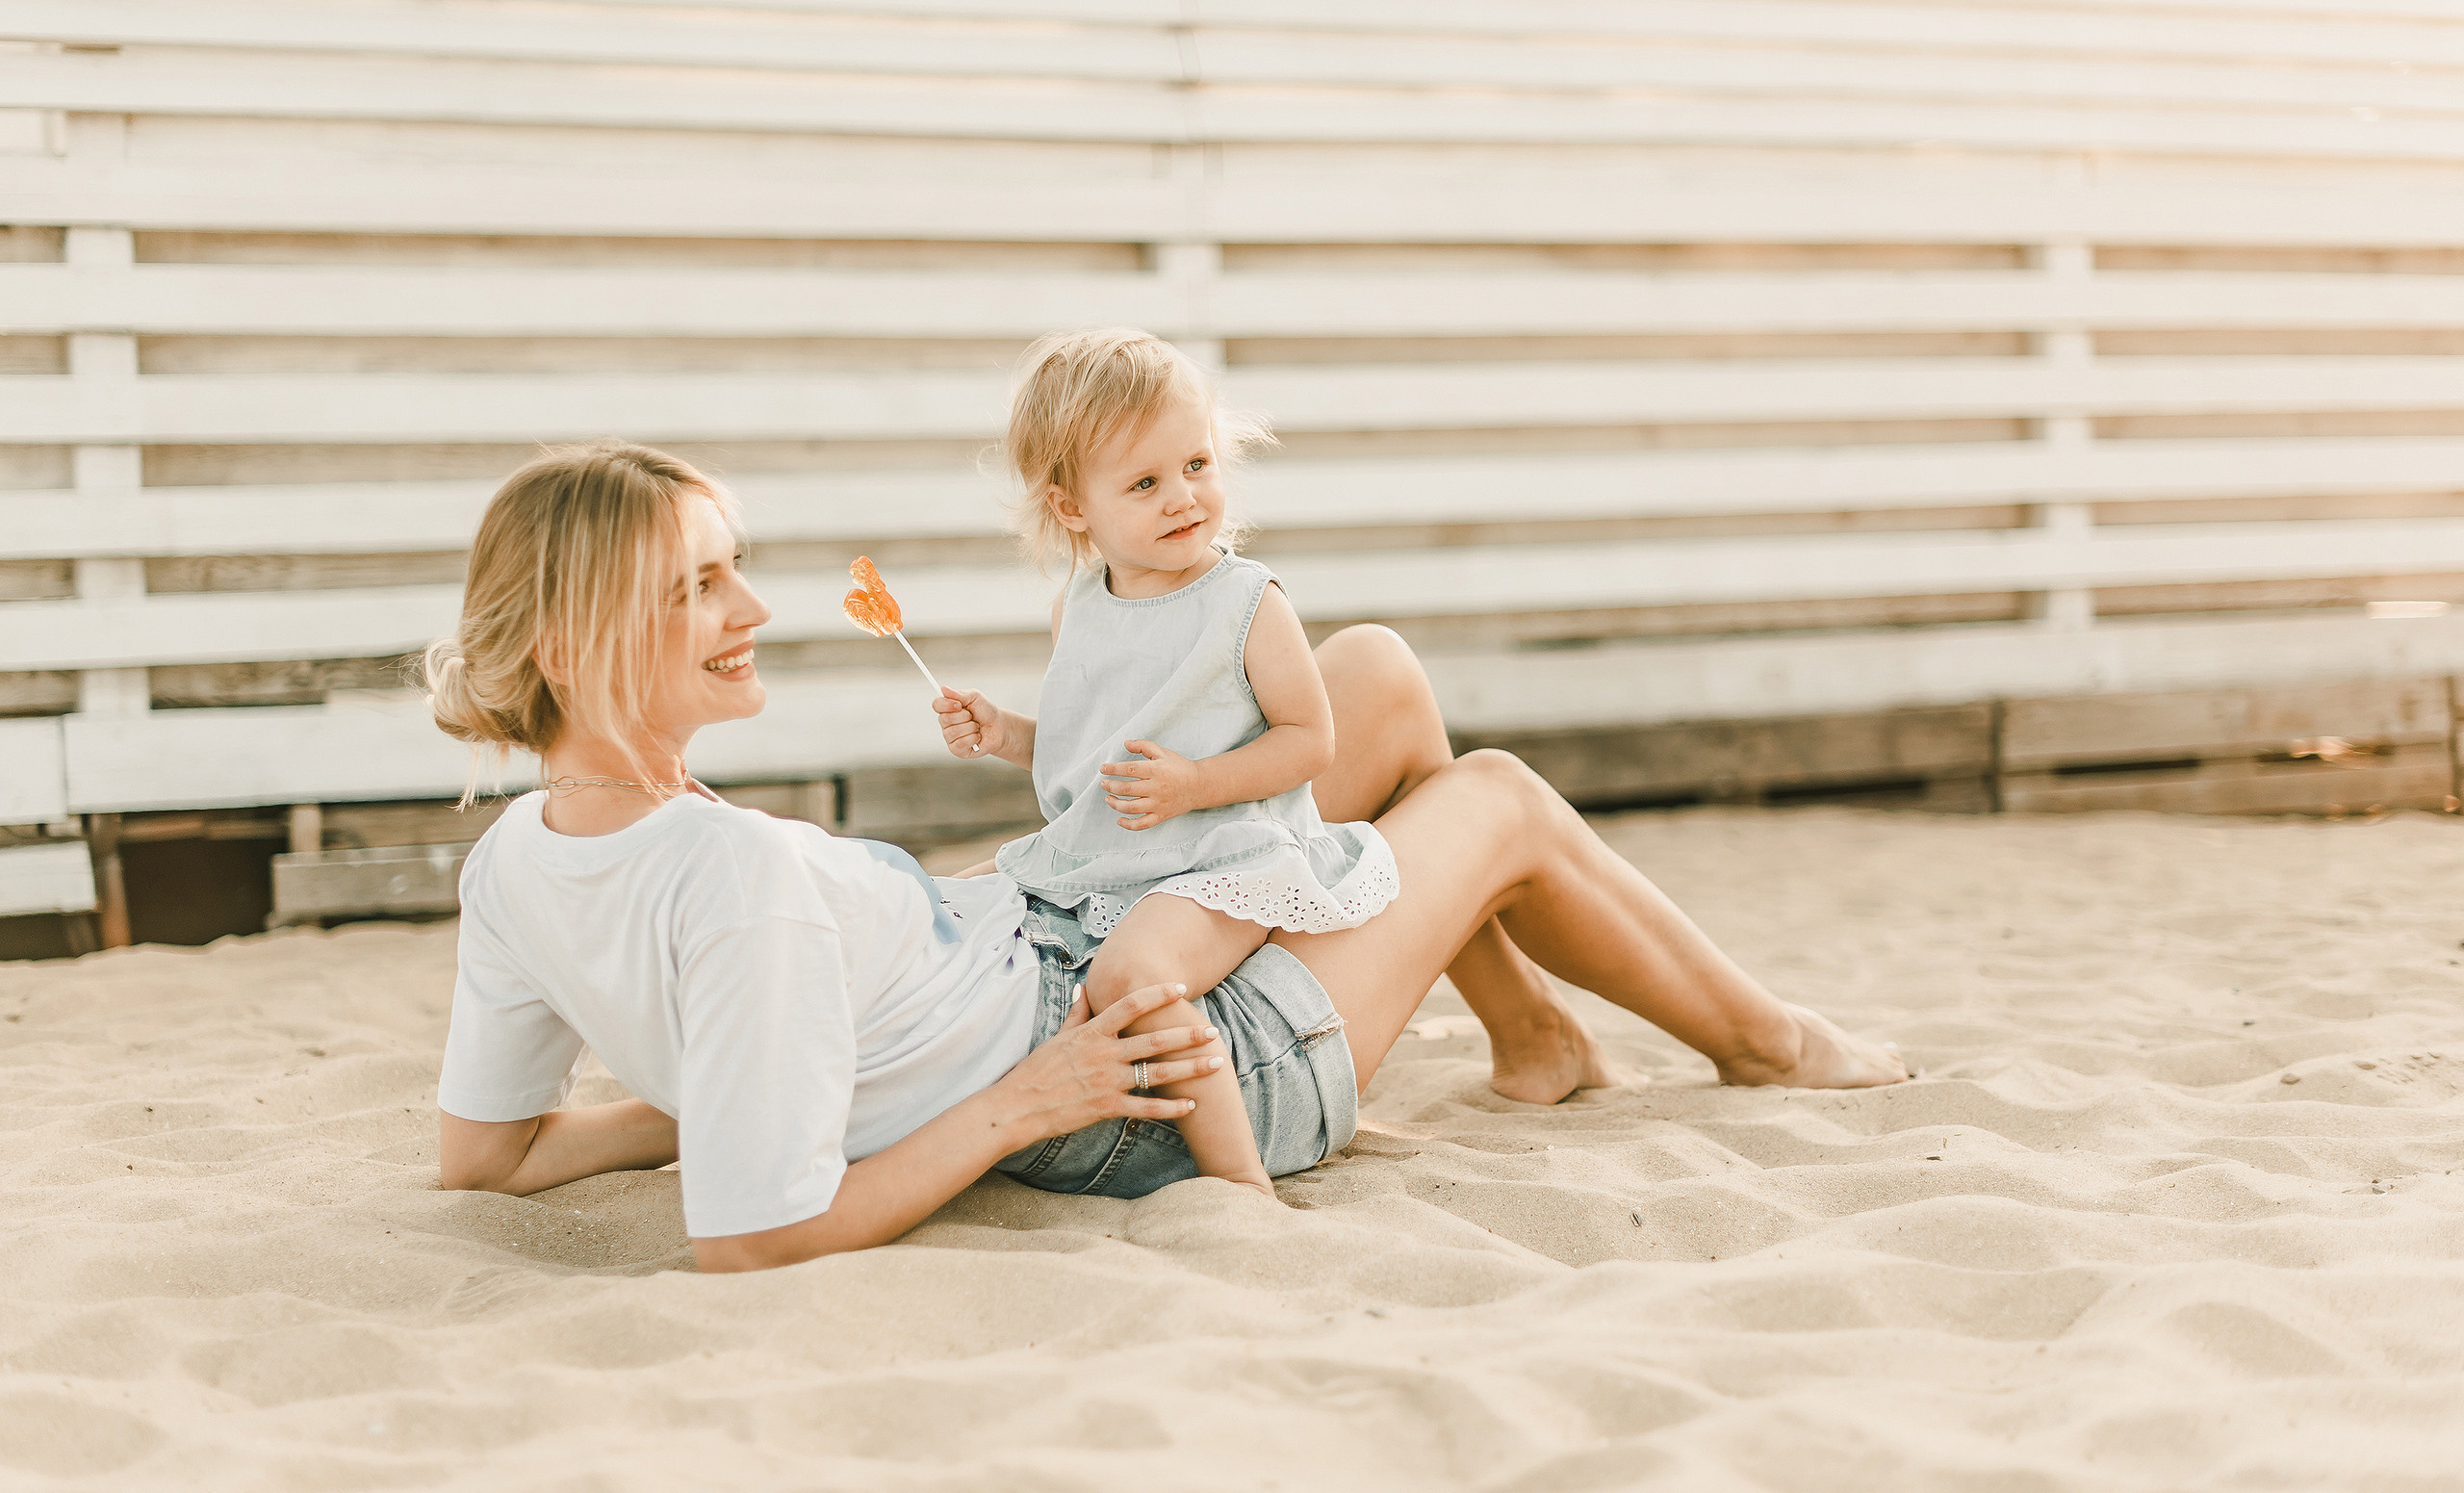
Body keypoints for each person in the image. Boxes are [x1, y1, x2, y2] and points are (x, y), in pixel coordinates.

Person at [427, 440, 1904, 1274]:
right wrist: (1018, 1102)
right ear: (572, 640)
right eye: (700, 584)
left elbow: (486, 1156)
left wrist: (708, 1097)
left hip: (1055, 940)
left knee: (1374, 686)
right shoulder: (731, 873)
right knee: (1499, 798)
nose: (751, 602)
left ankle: (1537, 1032)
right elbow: (756, 1240)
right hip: (1135, 1075)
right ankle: (1767, 1043)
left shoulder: (508, 869)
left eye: (733, 560)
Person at [928, 330, 1397, 1197]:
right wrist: (1005, 733)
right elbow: (1090, 747)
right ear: (1074, 509)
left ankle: (1241, 1182)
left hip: (1219, 857)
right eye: (1145, 483)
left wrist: (1196, 783)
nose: (1184, 497)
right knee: (955, 913)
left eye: (1197, 464)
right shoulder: (1080, 606)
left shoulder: (1244, 602)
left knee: (1133, 979)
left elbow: (1309, 739)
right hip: (1109, 860)